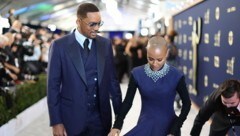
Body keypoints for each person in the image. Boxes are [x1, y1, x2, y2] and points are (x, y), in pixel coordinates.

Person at [47, 3, 122, 136]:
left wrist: (119, 120)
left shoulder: (105, 45)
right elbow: (53, 86)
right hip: (72, 118)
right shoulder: (59, 46)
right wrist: (56, 122)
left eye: (99, 23)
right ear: (78, 21)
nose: (97, 28)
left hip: (101, 119)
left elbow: (112, 82)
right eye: (92, 24)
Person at [108, 35, 191, 136]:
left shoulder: (176, 75)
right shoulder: (137, 73)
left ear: (166, 54)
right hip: (145, 125)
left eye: (159, 59)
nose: (155, 63)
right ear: (146, 53)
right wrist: (117, 124)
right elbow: (128, 102)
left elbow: (187, 104)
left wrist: (175, 128)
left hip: (169, 129)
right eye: (150, 59)